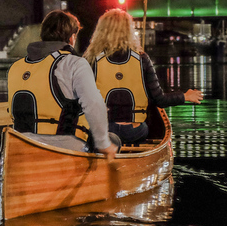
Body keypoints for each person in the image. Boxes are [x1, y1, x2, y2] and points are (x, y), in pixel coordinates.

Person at [7, 10, 119, 160]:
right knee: (115, 140)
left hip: (20, 145)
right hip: (62, 146)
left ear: (43, 35)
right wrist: (104, 143)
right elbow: (93, 105)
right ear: (72, 37)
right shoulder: (74, 63)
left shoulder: (16, 67)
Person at [83, 8, 203, 144]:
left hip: (102, 130)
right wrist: (185, 96)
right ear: (129, 31)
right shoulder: (142, 59)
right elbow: (159, 100)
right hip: (134, 131)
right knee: (145, 127)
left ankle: (108, 145)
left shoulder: (91, 60)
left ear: (101, 31)